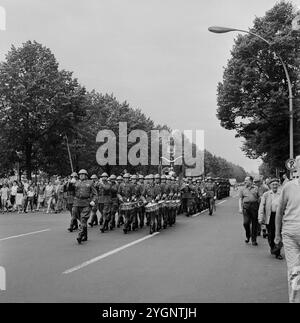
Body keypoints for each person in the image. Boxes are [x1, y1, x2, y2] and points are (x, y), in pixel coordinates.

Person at [275, 156, 300, 303]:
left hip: (290, 232)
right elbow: (279, 211)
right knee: (295, 271)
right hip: (290, 235)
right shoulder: (289, 186)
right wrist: (277, 234)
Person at [258, 178, 283, 259]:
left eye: (276, 184)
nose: (275, 186)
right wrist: (260, 217)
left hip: (279, 216)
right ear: (270, 186)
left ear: (279, 185)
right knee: (271, 235)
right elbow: (261, 206)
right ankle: (272, 247)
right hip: (270, 217)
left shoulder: (282, 194)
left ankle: (277, 252)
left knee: (278, 233)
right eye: (273, 184)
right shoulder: (266, 194)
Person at [71, 169, 97, 244]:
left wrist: (93, 200)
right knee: (78, 217)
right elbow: (69, 191)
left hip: (86, 203)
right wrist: (70, 184)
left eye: (83, 174)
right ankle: (85, 235)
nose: (81, 175)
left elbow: (95, 193)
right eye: (80, 174)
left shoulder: (90, 182)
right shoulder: (76, 182)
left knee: (83, 219)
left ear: (86, 175)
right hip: (77, 203)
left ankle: (80, 235)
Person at [239, 176, 260, 246]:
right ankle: (248, 235)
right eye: (245, 180)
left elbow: (260, 198)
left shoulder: (256, 188)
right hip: (246, 207)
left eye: (246, 180)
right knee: (246, 223)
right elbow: (240, 199)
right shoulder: (242, 189)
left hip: (254, 207)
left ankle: (254, 240)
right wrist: (240, 208)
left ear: (251, 181)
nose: (245, 181)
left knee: (254, 224)